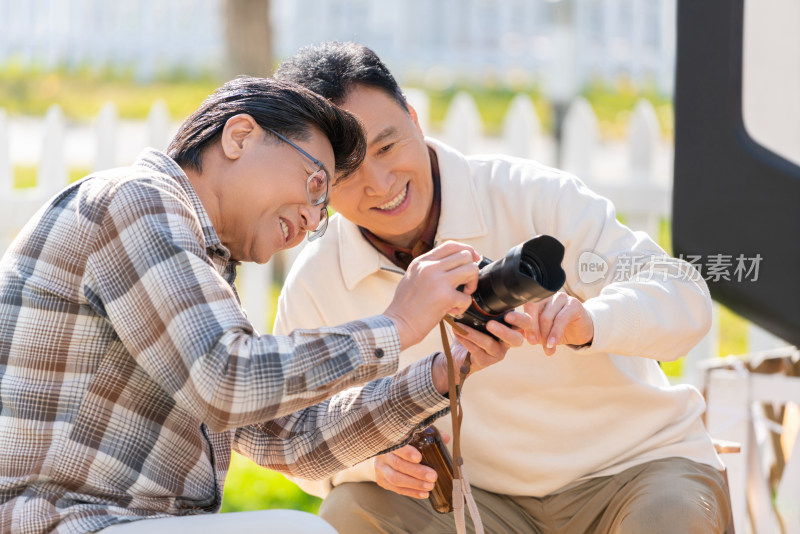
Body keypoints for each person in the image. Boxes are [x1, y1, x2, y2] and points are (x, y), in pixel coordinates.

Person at [0, 77, 529, 534]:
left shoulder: (199, 265)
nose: (310, 220)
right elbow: (226, 379)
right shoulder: (135, 200)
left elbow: (290, 438)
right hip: (63, 520)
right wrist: (399, 323)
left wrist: (443, 372)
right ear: (240, 135)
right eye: (316, 182)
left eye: (323, 209)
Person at [273, 42, 732, 533]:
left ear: (413, 117)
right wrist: (367, 463)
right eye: (346, 171)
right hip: (476, 504)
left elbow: (683, 295)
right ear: (315, 180)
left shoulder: (533, 196)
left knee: (672, 518)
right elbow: (285, 434)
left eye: (387, 147)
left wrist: (589, 322)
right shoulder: (319, 280)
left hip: (633, 471)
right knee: (352, 509)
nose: (381, 183)